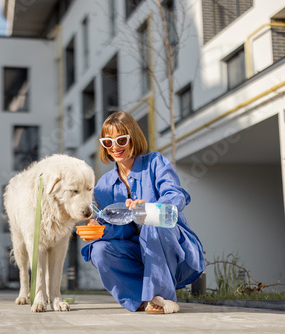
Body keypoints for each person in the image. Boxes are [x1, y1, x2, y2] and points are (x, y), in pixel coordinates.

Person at [80, 111, 205, 314]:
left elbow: (175, 196)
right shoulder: (103, 185)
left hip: (173, 251)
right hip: (138, 255)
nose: (115, 147)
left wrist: (148, 209)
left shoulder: (156, 163)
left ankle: (163, 298)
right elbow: (120, 231)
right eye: (108, 142)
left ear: (133, 138)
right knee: (99, 250)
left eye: (121, 140)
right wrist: (100, 230)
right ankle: (140, 300)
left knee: (152, 224)